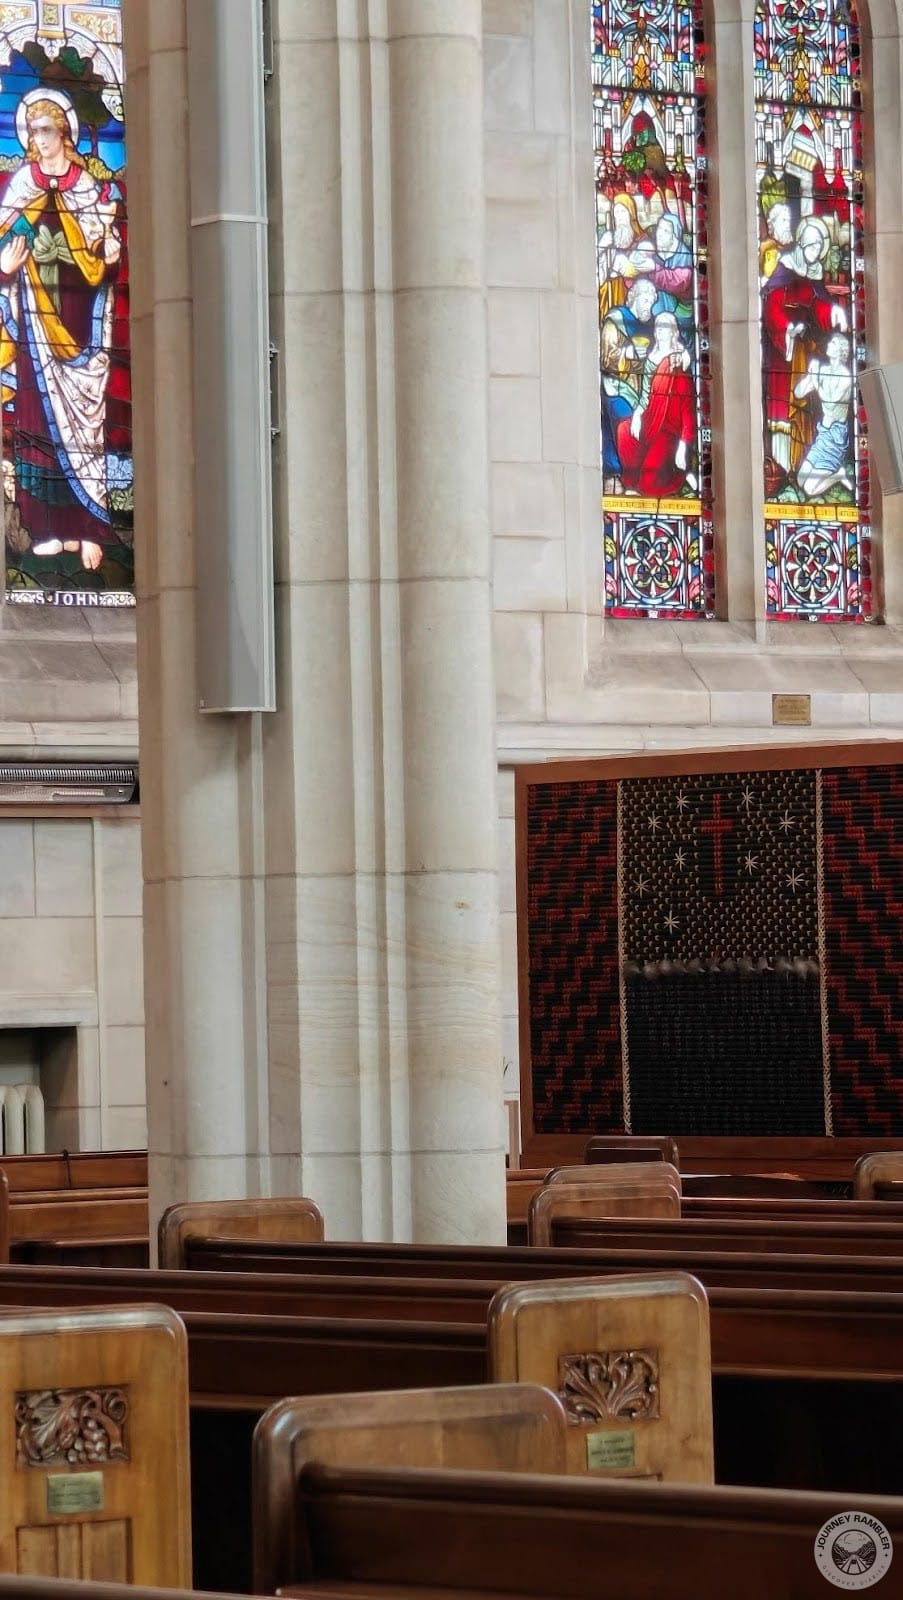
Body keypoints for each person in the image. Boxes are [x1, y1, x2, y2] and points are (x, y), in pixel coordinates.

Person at [0, 87, 124, 572]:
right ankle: (45, 528)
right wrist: (6, 269)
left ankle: (87, 528)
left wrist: (108, 253)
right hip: (34, 319)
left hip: (78, 319)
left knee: (84, 429)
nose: (40, 139)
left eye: (47, 130)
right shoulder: (21, 185)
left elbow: (104, 256)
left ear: (64, 133)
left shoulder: (85, 187)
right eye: (33, 131)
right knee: (35, 422)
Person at [761, 214, 848, 476]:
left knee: (805, 403)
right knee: (782, 404)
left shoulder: (814, 273)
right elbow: (772, 307)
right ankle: (780, 464)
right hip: (783, 352)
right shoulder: (784, 269)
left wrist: (833, 311)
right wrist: (788, 329)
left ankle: (801, 462)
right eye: (812, 246)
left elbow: (817, 304)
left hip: (804, 349)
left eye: (819, 247)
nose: (815, 252)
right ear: (801, 244)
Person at [615, 312, 696, 499]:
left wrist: (683, 446)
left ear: (674, 332)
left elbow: (687, 409)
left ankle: (681, 478)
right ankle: (631, 482)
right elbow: (645, 395)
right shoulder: (651, 357)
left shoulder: (677, 362)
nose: (659, 330)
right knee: (624, 430)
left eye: (664, 327)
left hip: (669, 428)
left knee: (650, 481)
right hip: (651, 418)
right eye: (658, 326)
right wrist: (637, 415)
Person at [600, 277, 657, 493]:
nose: (649, 307)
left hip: (640, 388)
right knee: (625, 424)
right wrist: (628, 353)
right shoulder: (615, 321)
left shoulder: (650, 326)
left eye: (652, 302)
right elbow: (606, 358)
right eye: (646, 301)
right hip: (616, 386)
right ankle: (616, 475)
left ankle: (640, 479)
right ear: (634, 298)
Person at [793, 332, 854, 498]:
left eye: (833, 343)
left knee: (810, 489)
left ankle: (838, 475)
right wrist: (809, 376)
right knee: (800, 480)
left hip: (835, 440)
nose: (828, 345)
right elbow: (798, 393)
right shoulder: (824, 371)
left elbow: (831, 403)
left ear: (841, 351)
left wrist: (815, 380)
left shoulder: (845, 376)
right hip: (822, 436)